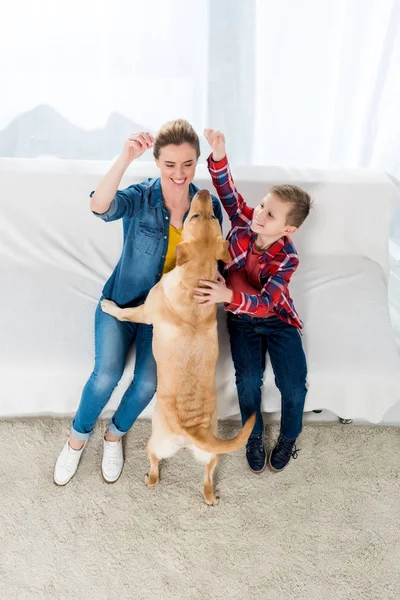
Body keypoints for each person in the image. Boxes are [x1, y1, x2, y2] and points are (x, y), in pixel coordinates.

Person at [54, 120, 223, 486]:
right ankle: (76, 439)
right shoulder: (141, 197)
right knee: (107, 375)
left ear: (197, 163)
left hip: (166, 318)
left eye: (188, 164)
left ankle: (113, 436)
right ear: (158, 163)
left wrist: (220, 282)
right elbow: (99, 207)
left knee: (147, 383)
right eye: (170, 164)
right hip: (121, 302)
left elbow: (214, 260)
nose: (179, 174)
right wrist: (125, 157)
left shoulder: (208, 208)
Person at [195, 128, 311, 474]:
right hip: (241, 321)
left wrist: (228, 295)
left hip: (277, 320)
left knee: (292, 385)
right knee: (247, 379)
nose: (260, 214)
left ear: (287, 230)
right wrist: (219, 152)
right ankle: (253, 434)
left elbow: (265, 303)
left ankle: (289, 436)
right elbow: (226, 189)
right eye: (262, 205)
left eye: (271, 215)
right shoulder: (246, 220)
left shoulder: (288, 258)